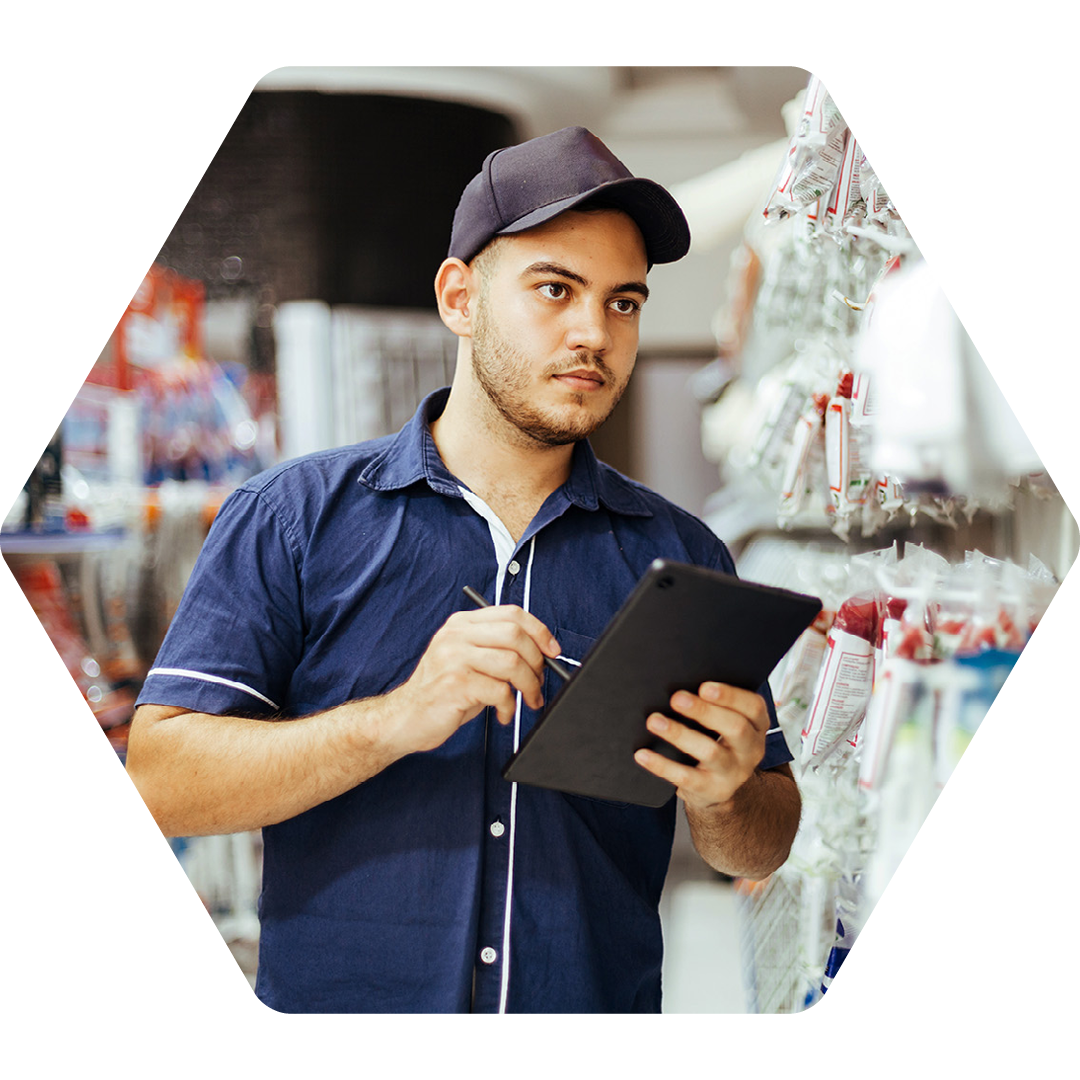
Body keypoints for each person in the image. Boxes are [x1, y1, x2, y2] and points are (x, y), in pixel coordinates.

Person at [126, 125, 801, 1014]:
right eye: (554, 290)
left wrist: (723, 796)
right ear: (459, 297)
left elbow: (761, 840)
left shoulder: (681, 557)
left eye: (624, 303)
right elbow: (165, 781)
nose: (592, 333)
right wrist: (398, 718)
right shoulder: (293, 520)